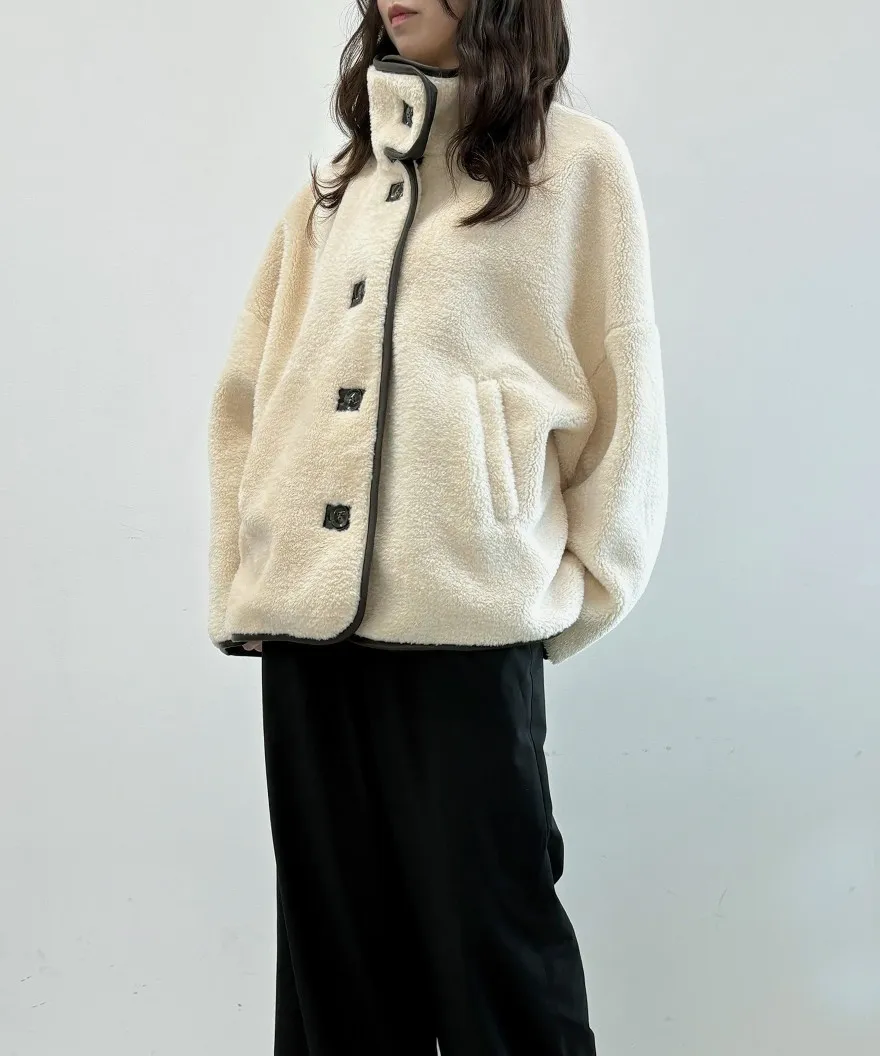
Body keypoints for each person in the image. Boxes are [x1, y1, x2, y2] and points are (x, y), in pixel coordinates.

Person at [207, 1, 667, 1052]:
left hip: (468, 626)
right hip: (310, 633)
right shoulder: (336, 188)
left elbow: (622, 397)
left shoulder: (576, 168)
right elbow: (248, 392)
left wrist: (564, 587)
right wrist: (252, 573)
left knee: (497, 965)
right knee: (336, 985)